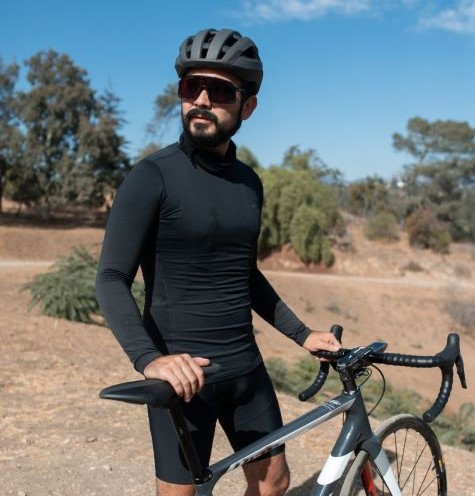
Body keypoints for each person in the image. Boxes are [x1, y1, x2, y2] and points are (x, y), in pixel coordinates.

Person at [96, 28, 341, 496]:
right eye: (192, 87)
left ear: (248, 105)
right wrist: (150, 360)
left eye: (221, 90)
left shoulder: (249, 184)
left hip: (245, 368)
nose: (202, 99)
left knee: (274, 483)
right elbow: (110, 278)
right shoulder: (152, 177)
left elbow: (244, 274)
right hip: (184, 376)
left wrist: (302, 334)